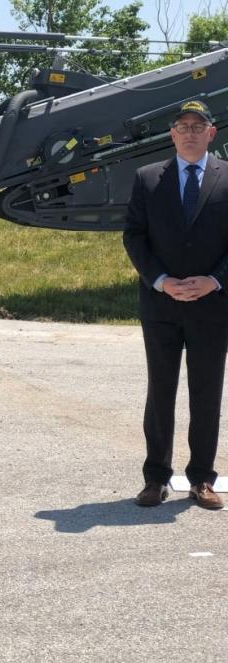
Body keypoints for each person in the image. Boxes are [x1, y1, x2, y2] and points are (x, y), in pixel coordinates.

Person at [123, 99, 228, 510]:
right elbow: (134, 236)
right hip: (161, 305)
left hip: (212, 306)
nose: (189, 133)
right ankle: (155, 479)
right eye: (182, 126)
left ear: (211, 133)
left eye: (197, 126)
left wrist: (215, 280)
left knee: (207, 393)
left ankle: (202, 479)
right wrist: (162, 281)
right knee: (160, 391)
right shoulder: (148, 178)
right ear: (171, 134)